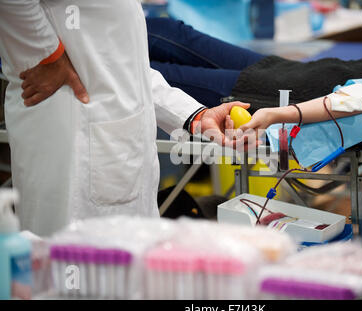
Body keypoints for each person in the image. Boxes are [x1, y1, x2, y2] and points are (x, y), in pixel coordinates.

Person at [0, 1, 244, 236]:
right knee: (67, 261)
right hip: (74, 137)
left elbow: (126, 67)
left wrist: (194, 116)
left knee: (124, 263)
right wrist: (45, 57)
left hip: (116, 148)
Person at [147, 17, 362, 124]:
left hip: (303, 97)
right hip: (309, 76)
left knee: (161, 74)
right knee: (168, 32)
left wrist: (287, 113)